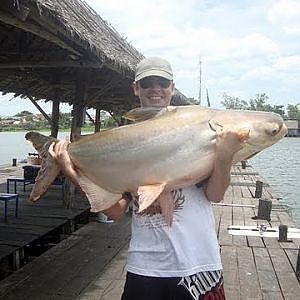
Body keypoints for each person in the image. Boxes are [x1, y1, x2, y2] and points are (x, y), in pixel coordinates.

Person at [50, 57, 247, 300]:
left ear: (172, 88)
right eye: (147, 83)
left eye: (162, 82)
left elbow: (215, 195)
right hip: (145, 265)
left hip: (199, 263)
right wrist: (71, 172)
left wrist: (224, 156)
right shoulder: (124, 143)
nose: (156, 88)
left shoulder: (199, 128)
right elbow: (116, 212)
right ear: (136, 88)